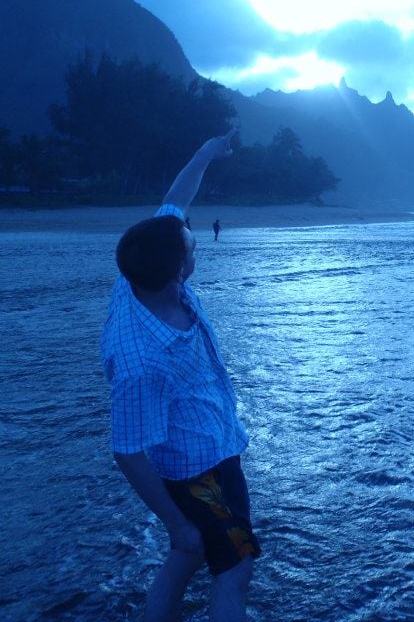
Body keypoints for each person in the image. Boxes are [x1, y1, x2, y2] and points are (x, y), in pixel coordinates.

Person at [101, 129, 260, 622]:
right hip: (192, 470)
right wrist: (173, 520)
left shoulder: (141, 270)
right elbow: (126, 450)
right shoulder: (141, 360)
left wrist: (208, 150)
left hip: (216, 445)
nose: (197, 250)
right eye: (193, 249)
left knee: (192, 553)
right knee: (235, 567)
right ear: (177, 272)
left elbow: (176, 197)